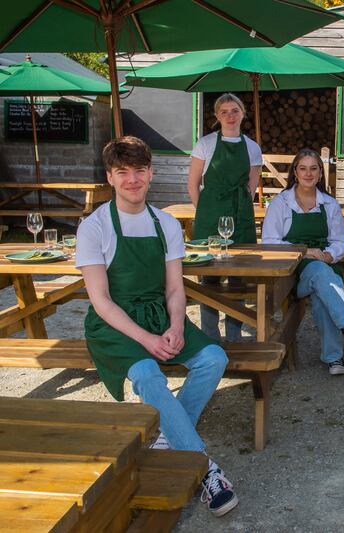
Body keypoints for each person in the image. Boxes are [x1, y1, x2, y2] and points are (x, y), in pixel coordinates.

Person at [77, 136, 238, 517]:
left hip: (158, 312)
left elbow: (174, 288)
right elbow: (100, 300)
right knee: (148, 376)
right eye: (123, 172)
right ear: (110, 177)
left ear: (150, 173)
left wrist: (178, 325)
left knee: (213, 357)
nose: (133, 180)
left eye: (139, 171)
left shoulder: (165, 223)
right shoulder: (94, 227)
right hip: (114, 324)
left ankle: (167, 432)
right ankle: (203, 467)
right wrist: (147, 339)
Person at [261, 148, 344, 375]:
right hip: (291, 271)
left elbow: (341, 241)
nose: (308, 173)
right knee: (322, 275)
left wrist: (328, 254)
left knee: (325, 284)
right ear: (295, 172)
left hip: (324, 263)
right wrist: (305, 252)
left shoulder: (329, 204)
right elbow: (270, 241)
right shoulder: (281, 203)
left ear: (320, 173)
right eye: (303, 168)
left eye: (313, 168)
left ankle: (334, 358)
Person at [188, 93, 262, 341]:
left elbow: (251, 187)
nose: (230, 116)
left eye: (235, 110)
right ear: (217, 116)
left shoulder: (252, 147)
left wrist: (240, 208)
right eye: (224, 112)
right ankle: (209, 335)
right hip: (210, 212)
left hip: (240, 214)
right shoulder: (205, 144)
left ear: (243, 113)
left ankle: (234, 334)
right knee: (209, 275)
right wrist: (206, 211)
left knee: (238, 275)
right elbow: (193, 184)